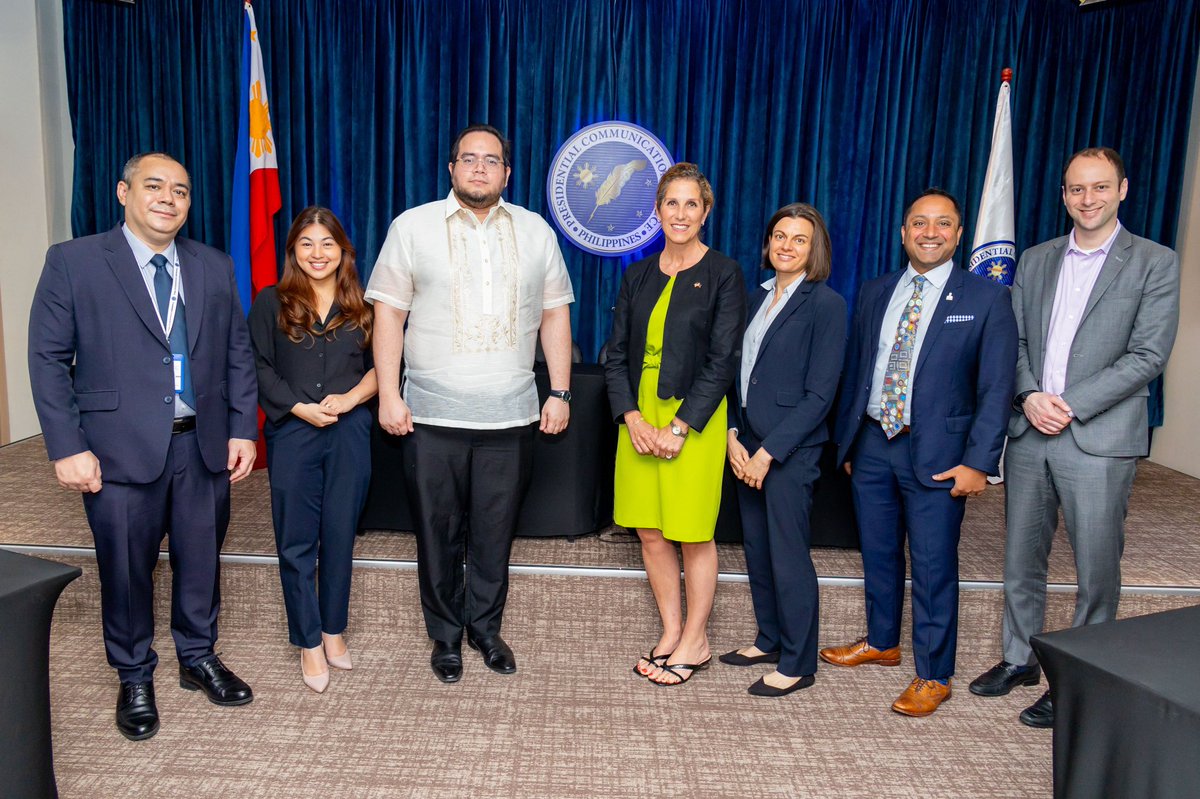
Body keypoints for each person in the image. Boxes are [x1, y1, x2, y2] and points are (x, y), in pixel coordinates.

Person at [28, 152, 257, 740]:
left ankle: (197, 655)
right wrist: (65, 446)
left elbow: (236, 352)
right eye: (154, 186)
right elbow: (49, 360)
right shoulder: (75, 262)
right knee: (126, 569)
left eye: (180, 190)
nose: (168, 198)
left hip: (201, 445)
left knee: (201, 560)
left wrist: (241, 428)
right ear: (123, 192)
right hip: (115, 450)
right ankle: (134, 674)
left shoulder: (213, 265)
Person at [969, 147, 1180, 728]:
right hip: (1032, 428)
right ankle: (1019, 658)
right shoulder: (1035, 260)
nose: (1087, 199)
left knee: (1095, 567)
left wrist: (1072, 405)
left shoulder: (1155, 263)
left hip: (1100, 435)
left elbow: (1148, 354)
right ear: (1063, 194)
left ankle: (1083, 679)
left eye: (1099, 187)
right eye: (1075, 189)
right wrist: (1030, 396)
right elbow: (1009, 343)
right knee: (1021, 558)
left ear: (1123, 189)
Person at [365, 124, 574, 683]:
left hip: (511, 414)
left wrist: (559, 390)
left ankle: (485, 629)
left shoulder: (536, 232)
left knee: (494, 530)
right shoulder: (412, 227)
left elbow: (555, 313)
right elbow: (389, 313)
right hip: (430, 415)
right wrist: (388, 392)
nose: (479, 168)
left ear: (507, 172)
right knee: (436, 530)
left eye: (492, 160)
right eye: (468, 159)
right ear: (451, 169)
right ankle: (444, 637)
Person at [820, 188, 1016, 717]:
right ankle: (882, 642)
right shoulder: (875, 291)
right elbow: (858, 370)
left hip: (940, 455)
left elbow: (996, 388)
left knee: (932, 565)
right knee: (878, 553)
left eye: (943, 224)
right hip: (873, 444)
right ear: (903, 232)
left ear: (957, 233)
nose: (930, 232)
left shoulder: (986, 299)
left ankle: (933, 673)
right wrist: (849, 441)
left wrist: (980, 462)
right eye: (919, 223)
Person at [605, 162, 746, 686]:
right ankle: (670, 630)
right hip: (639, 417)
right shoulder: (637, 273)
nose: (680, 213)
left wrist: (680, 426)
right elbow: (615, 354)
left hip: (696, 420)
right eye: (672, 203)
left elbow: (722, 359)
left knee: (691, 532)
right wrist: (633, 417)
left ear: (705, 212)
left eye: (692, 204)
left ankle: (697, 638)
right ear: (657, 210)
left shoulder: (724, 273)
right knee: (649, 531)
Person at [248, 207, 377, 693]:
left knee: (340, 534)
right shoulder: (271, 302)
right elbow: (257, 366)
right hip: (293, 433)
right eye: (307, 244)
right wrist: (297, 407)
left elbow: (382, 366)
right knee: (297, 541)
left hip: (350, 432)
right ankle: (308, 641)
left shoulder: (364, 304)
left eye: (327, 243)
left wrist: (349, 399)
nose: (317, 253)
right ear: (292, 251)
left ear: (343, 249)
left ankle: (333, 630)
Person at [722, 203, 846, 697]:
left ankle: (798, 661)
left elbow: (821, 395)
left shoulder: (826, 305)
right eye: (779, 236)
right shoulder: (756, 297)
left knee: (789, 553)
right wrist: (733, 435)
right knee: (757, 547)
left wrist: (767, 452)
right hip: (745, 443)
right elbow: (737, 374)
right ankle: (769, 637)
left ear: (814, 249)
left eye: (799, 238)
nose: (787, 246)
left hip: (788, 452)